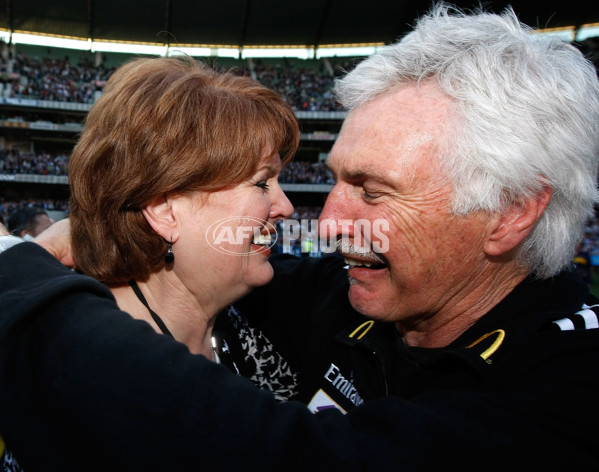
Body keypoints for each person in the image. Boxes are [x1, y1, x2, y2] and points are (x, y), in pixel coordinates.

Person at [0, 3, 598, 470]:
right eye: (335, 179)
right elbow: (207, 259)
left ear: (509, 212)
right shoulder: (330, 298)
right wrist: (107, 221)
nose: (325, 223)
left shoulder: (573, 384)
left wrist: (20, 275)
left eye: (372, 191)